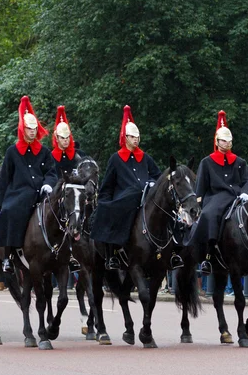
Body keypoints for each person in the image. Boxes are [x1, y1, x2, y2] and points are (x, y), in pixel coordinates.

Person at [0, 96, 58, 273]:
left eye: (35, 128)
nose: (33, 132)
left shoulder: (44, 152)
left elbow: (51, 172)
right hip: (18, 194)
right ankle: (8, 256)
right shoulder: (12, 152)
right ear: (23, 129)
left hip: (42, 192)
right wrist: (1, 202)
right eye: (29, 129)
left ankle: (67, 254)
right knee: (11, 211)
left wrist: (49, 184)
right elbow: (4, 179)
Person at [90, 105, 163, 270]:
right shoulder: (116, 159)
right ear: (126, 137)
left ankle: (171, 251)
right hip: (123, 197)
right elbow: (108, 184)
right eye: (132, 137)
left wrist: (152, 182)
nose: (136, 140)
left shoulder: (146, 157)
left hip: (146, 195)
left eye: (137, 137)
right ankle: (113, 254)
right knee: (119, 208)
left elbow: (157, 176)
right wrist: (105, 202)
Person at [186, 111, 248, 275]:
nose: (227, 143)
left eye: (229, 141)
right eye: (223, 140)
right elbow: (201, 187)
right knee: (211, 214)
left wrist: (246, 193)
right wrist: (198, 204)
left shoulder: (239, 162)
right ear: (217, 142)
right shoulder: (207, 162)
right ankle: (208, 256)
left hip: (237, 196)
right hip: (215, 198)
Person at [50, 105, 82, 272]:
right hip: (57, 194)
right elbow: (49, 174)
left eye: (68, 137)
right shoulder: (50, 156)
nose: (65, 140)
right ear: (56, 138)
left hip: (76, 193)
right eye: (62, 138)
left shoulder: (77, 155)